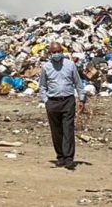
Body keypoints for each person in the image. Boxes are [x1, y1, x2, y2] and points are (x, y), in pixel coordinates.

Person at [38, 42, 86, 170]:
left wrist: (82, 99)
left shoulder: (70, 65)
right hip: (53, 102)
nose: (56, 54)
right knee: (56, 131)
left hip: (68, 100)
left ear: (62, 52)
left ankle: (69, 158)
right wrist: (46, 100)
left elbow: (78, 83)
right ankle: (60, 157)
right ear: (50, 54)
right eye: (54, 52)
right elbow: (42, 86)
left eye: (58, 51)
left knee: (68, 129)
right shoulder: (46, 67)